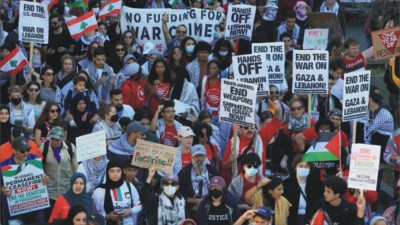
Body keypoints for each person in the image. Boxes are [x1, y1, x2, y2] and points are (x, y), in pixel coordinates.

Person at [0, 136, 46, 224]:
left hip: (35, 210)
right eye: (22, 151)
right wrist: (2, 191)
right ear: (14, 150)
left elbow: (42, 178)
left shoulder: (34, 159)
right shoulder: (4, 165)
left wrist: (45, 180)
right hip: (14, 212)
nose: (26, 153)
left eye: (28, 150)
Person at [40, 126, 78, 219]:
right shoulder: (43, 148)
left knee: (66, 217)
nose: (54, 141)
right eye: (52, 138)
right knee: (50, 218)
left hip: (66, 189)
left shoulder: (70, 147)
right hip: (50, 191)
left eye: (57, 139)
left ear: (62, 137)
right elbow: (38, 167)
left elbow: (75, 167)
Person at [92, 161, 142, 225]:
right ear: (107, 172)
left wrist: (130, 211)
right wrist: (107, 216)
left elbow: (139, 205)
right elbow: (93, 214)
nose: (115, 174)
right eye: (112, 171)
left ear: (122, 172)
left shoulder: (129, 186)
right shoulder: (99, 191)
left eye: (118, 171)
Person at [178, 144, 219, 218]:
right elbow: (179, 195)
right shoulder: (184, 173)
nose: (199, 159)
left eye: (201, 156)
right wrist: (196, 201)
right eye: (196, 156)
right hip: (191, 209)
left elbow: (219, 190)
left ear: (205, 156)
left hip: (211, 206)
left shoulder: (212, 171)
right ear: (191, 157)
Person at [283, 154, 324, 225]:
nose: (303, 168)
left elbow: (321, 200)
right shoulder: (287, 183)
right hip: (291, 219)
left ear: (310, 168)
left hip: (310, 219)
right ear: (295, 167)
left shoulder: (316, 184)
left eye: (306, 166)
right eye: (301, 166)